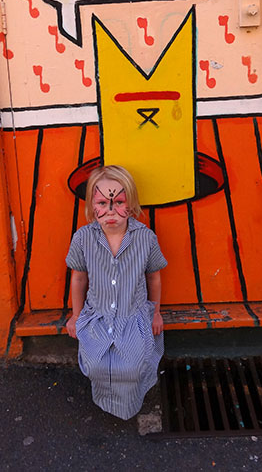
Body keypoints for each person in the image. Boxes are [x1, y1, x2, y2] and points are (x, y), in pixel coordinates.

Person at [65, 164, 167, 420]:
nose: (110, 211)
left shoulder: (145, 238)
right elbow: (78, 277)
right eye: (102, 203)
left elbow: (154, 276)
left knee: (133, 367)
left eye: (119, 202)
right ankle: (105, 400)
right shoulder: (83, 238)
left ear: (130, 204)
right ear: (92, 206)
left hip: (132, 317)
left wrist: (156, 313)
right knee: (96, 365)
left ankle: (130, 403)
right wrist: (76, 316)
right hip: (97, 316)